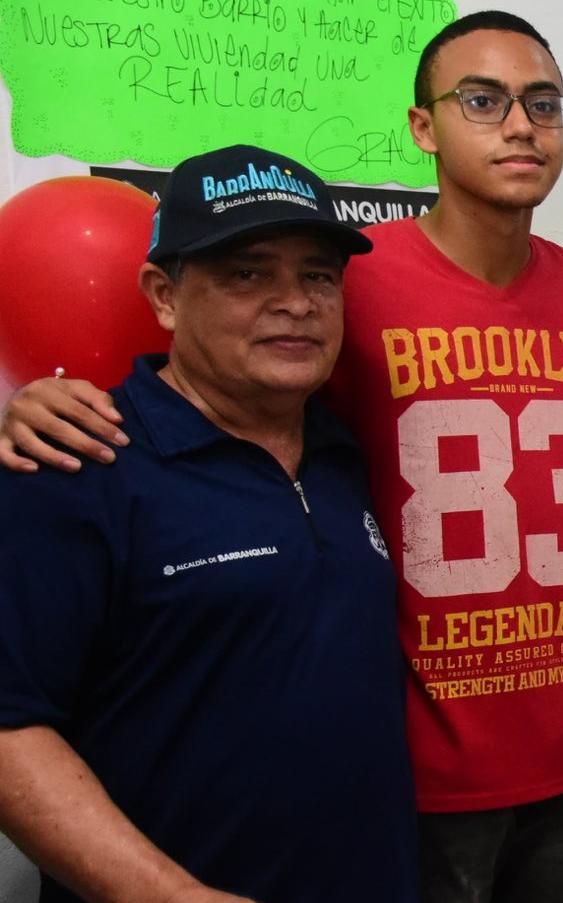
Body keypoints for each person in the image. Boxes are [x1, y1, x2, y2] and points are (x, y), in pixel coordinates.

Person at [0, 13, 563, 900]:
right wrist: (33, 406)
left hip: (557, 757)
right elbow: (208, 393)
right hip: (423, 774)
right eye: (483, 100)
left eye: (542, 102)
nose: (294, 302)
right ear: (423, 126)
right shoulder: (360, 280)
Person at [0, 146, 416, 902]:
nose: (295, 301)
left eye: (318, 275)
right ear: (165, 295)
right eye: (248, 272)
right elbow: (9, 730)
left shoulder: (344, 449)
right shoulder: (77, 463)